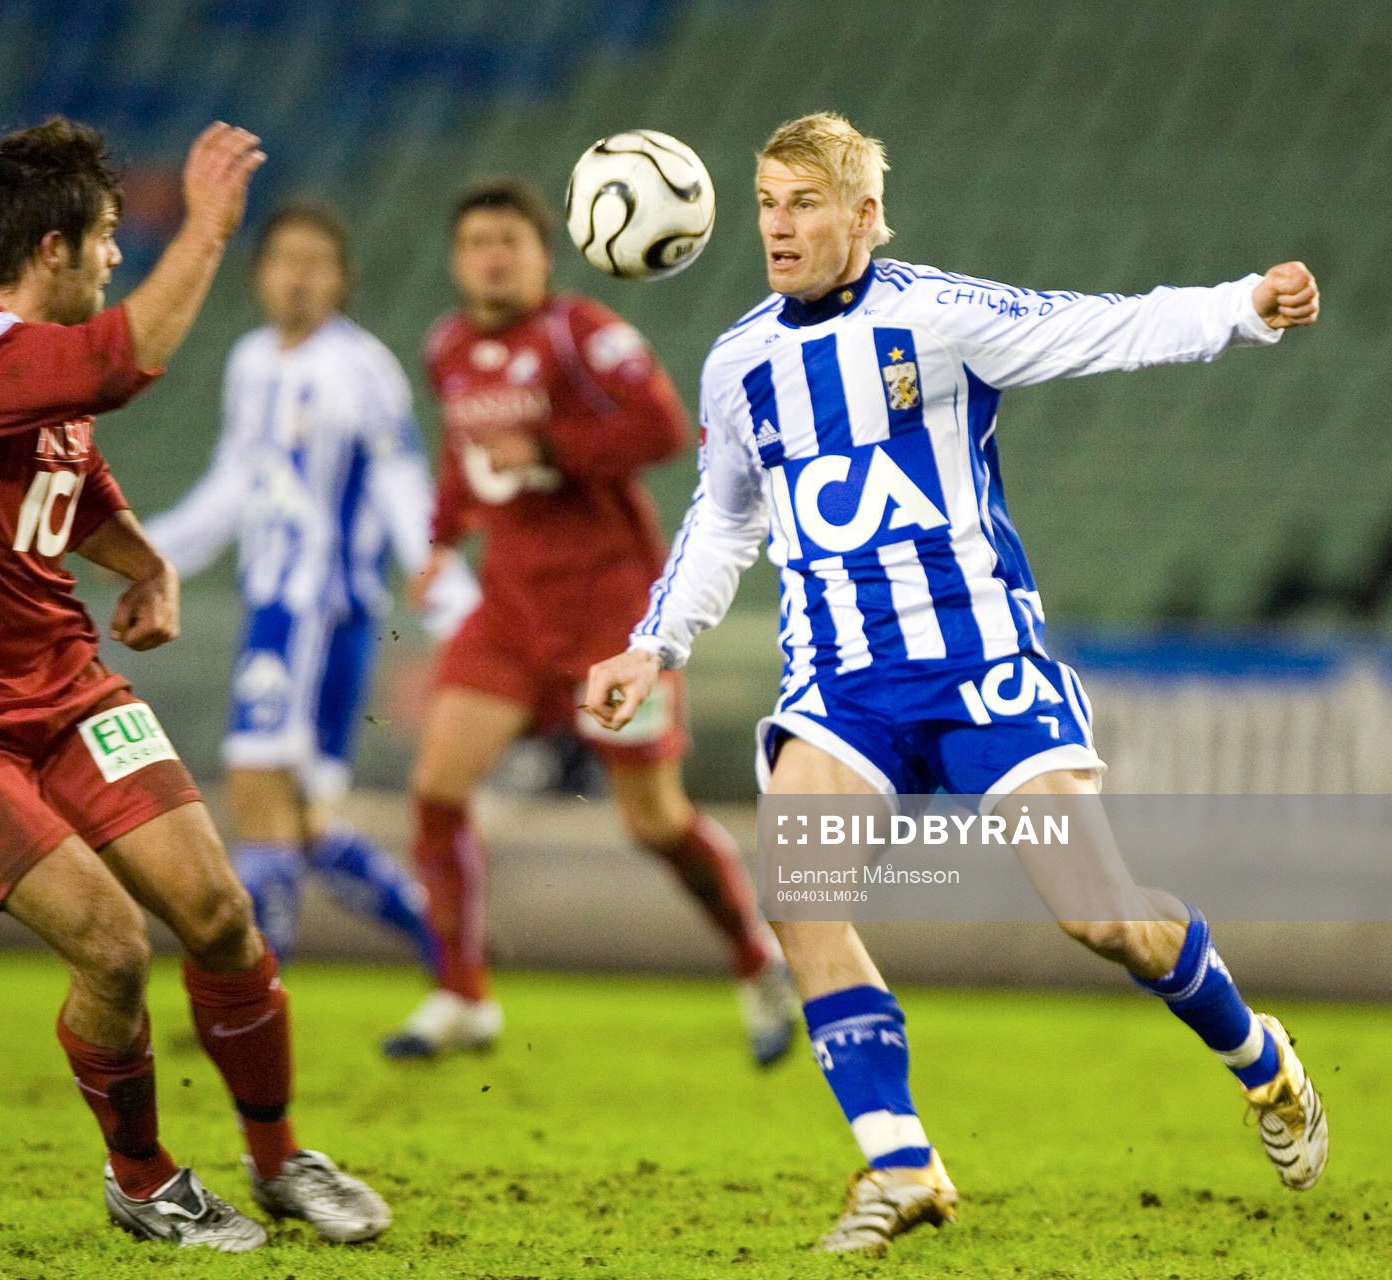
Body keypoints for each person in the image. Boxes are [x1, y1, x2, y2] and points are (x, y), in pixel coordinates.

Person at [586, 112, 1327, 1257]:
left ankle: (1255, 1056)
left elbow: (1099, 328)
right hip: (840, 681)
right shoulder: (739, 361)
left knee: (1103, 917)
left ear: (863, 217)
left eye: (804, 205)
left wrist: (1241, 305)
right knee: (803, 889)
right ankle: (899, 1161)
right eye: (765, 203)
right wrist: (655, 640)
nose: (777, 227)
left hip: (981, 663)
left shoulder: (934, 318)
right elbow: (723, 514)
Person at [0, 119, 391, 1253]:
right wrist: (212, 227)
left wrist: (146, 561)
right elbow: (124, 364)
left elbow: (73, 479)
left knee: (221, 915)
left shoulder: (31, 370)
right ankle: (142, 1177)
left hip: (62, 686)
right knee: (111, 943)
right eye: (106, 240)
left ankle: (278, 1161)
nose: (117, 259)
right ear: (50, 248)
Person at [385, 178, 797, 1064]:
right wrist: (440, 539)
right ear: (458, 261)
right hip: (511, 609)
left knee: (652, 821)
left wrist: (549, 448)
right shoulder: (447, 345)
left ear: (544, 254)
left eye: (511, 240)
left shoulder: (584, 335)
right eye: (477, 242)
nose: (494, 256)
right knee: (438, 788)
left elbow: (662, 430)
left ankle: (756, 958)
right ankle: (463, 995)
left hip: (612, 613)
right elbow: (464, 455)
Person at [144, 201, 476, 972]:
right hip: (274, 606)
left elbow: (403, 485)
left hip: (321, 611)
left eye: (315, 262)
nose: (298, 276)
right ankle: (449, 946)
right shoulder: (251, 362)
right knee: (299, 820)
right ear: (260, 275)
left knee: (260, 798)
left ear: (341, 280)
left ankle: (257, 994)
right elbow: (234, 482)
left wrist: (455, 603)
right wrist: (150, 550)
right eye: (284, 259)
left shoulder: (359, 368)